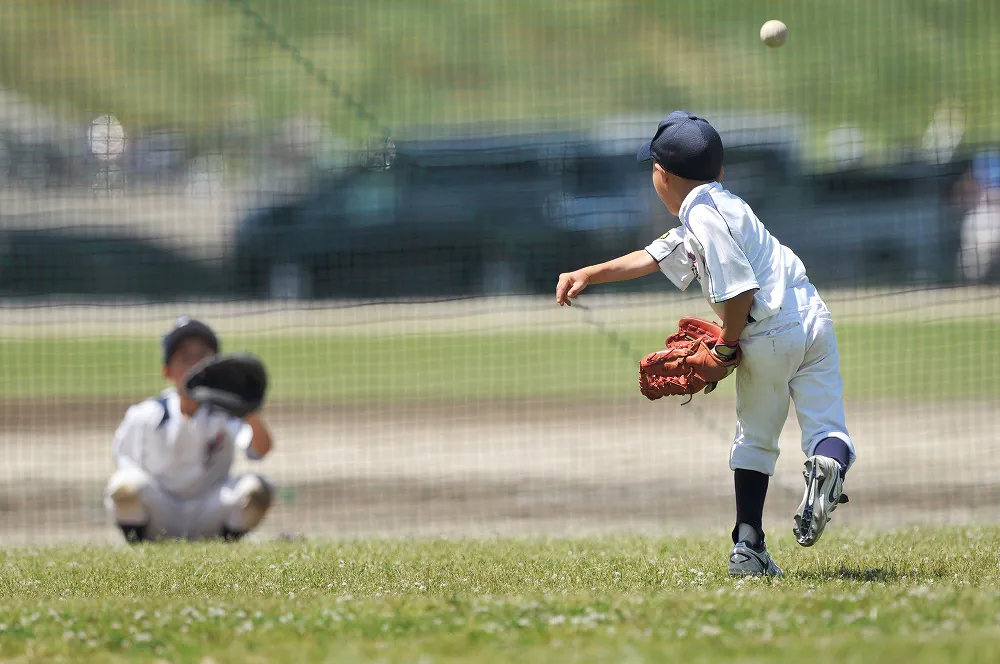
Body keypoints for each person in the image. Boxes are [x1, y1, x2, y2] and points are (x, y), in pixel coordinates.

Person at [555, 111, 857, 577]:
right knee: (826, 429)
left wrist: (725, 347)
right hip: (812, 318)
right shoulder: (723, 204)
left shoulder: (701, 214)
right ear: (720, 171)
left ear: (662, 175)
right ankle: (828, 465)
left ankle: (749, 547)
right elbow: (655, 255)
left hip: (767, 331)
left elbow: (739, 290)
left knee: (755, 441)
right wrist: (587, 274)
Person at [103, 317, 275, 543]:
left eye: (203, 357)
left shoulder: (225, 412)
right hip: (160, 511)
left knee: (257, 489)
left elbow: (260, 450)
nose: (195, 364)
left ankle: (226, 548)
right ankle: (141, 546)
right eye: (185, 357)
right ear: (167, 370)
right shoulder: (144, 414)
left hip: (210, 510)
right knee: (123, 486)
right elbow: (125, 465)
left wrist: (250, 411)